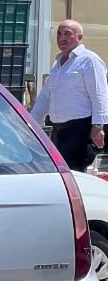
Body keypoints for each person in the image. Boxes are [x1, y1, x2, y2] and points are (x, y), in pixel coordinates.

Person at [29, 19, 108, 171]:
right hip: (59, 130)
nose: (61, 38)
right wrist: (31, 123)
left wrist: (98, 126)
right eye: (59, 34)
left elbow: (99, 93)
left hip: (79, 128)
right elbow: (46, 96)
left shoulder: (89, 60)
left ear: (79, 37)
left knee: (71, 172)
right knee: (59, 171)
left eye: (67, 34)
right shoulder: (57, 63)